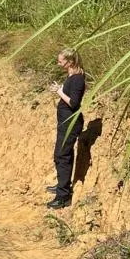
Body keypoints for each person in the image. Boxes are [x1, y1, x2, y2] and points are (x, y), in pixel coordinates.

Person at [47, 48, 86, 210]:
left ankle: (63, 197)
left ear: (70, 62)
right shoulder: (72, 76)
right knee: (61, 155)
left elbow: (74, 103)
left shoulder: (77, 79)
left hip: (70, 123)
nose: (58, 63)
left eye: (61, 61)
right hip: (65, 122)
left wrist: (59, 92)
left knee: (62, 156)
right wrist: (60, 89)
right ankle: (62, 186)